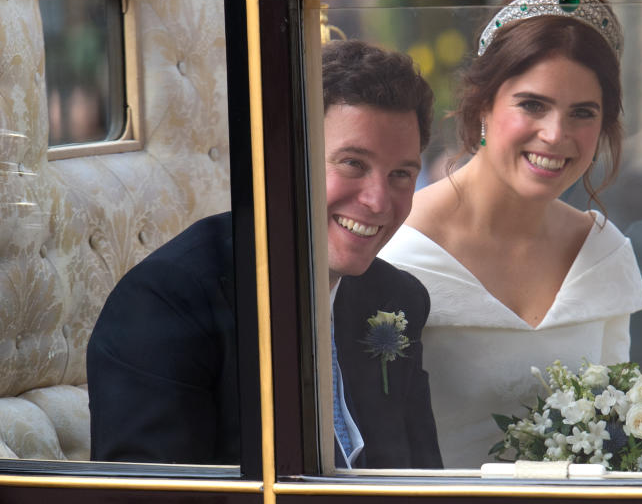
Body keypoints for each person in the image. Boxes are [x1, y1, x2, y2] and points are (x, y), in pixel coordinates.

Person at [87, 40, 442, 469]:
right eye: (352, 163)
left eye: (401, 174)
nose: (379, 201)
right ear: (284, 159)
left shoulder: (397, 297)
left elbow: (426, 484)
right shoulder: (166, 301)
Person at [379, 0, 642, 467]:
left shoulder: (603, 253)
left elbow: (617, 438)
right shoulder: (395, 246)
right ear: (483, 105)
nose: (555, 134)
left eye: (582, 113)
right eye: (532, 105)